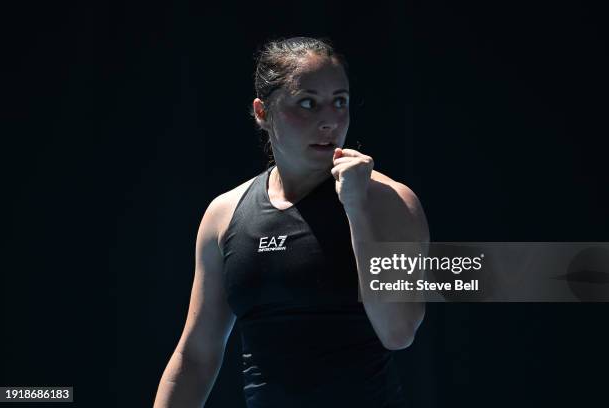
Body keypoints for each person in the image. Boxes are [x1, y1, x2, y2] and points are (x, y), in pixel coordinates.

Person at [153, 36, 429, 408]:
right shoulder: (224, 214)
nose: (329, 120)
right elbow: (196, 357)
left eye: (340, 102)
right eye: (308, 103)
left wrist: (355, 209)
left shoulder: (389, 201)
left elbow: (399, 331)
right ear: (262, 112)